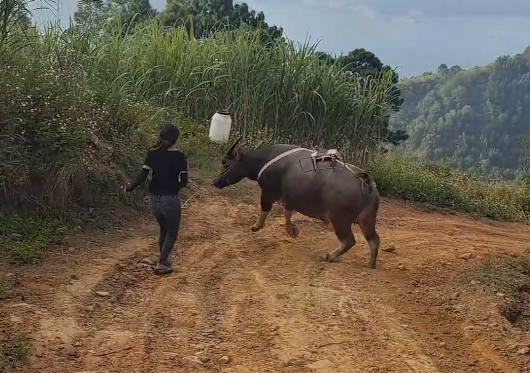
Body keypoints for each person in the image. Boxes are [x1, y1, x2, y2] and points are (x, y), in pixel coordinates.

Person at [126, 123, 188, 275]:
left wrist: (130, 187)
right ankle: (162, 262)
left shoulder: (152, 154)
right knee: (172, 232)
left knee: (164, 229)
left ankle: (166, 262)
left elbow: (142, 176)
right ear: (175, 139)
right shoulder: (179, 157)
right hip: (170, 199)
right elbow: (184, 181)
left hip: (154, 200)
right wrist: (177, 185)